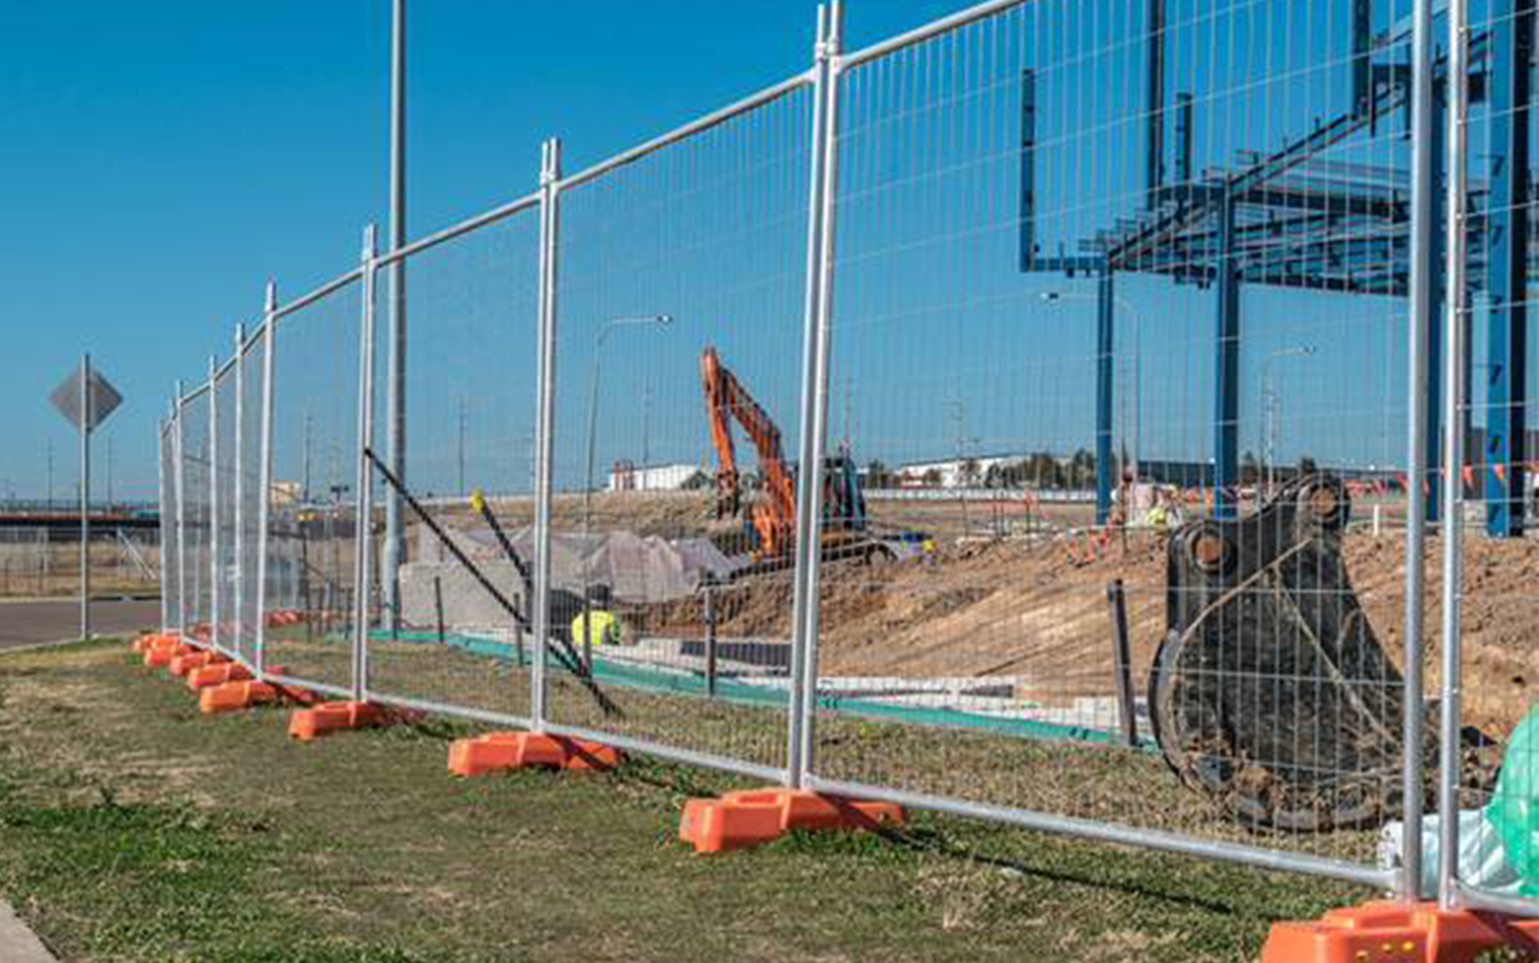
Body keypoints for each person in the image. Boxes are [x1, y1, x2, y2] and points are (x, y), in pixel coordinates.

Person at [571, 583, 623, 650]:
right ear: (606, 602)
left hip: (583, 655)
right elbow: (619, 641)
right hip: (606, 655)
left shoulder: (577, 620)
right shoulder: (612, 619)